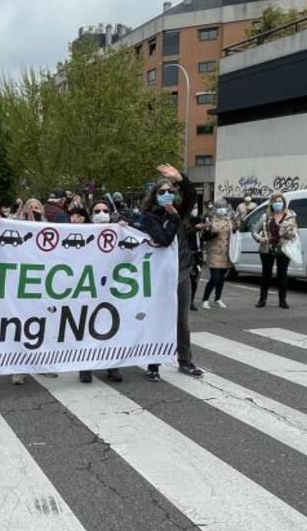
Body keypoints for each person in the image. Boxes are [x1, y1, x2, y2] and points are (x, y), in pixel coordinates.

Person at [136, 165, 203, 380]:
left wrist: (180, 179)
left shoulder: (179, 211)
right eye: (162, 192)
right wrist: (173, 216)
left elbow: (191, 196)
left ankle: (185, 360)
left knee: (182, 321)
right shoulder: (149, 217)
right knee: (159, 318)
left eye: (170, 191)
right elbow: (163, 240)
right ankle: (153, 364)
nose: (167, 194)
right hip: (159, 276)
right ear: (155, 195)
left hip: (181, 271)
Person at [79, 197, 125, 385]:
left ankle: (112, 365)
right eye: (97, 211)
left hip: (110, 289)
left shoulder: (118, 232)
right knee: (86, 326)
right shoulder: (82, 233)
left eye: (105, 211)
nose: (102, 214)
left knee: (111, 326)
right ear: (91, 215)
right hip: (88, 288)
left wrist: (124, 229)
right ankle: (85, 367)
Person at [252, 193, 296, 309]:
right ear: (271, 203)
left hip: (283, 248)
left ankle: (283, 300)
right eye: (275, 202)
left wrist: (288, 234)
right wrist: (260, 238)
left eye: (280, 201)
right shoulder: (265, 217)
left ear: (284, 203)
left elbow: (295, 232)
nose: (278, 204)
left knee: (282, 275)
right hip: (267, 248)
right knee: (266, 274)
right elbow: (254, 230)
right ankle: (262, 300)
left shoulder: (290, 216)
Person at [200, 200, 235, 309]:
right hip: (214, 252)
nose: (222, 209)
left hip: (225, 252)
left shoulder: (228, 220)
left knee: (221, 278)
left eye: (224, 207)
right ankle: (205, 299)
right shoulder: (211, 220)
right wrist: (212, 232)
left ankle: (218, 298)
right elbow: (205, 236)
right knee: (214, 277)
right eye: (219, 207)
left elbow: (234, 232)